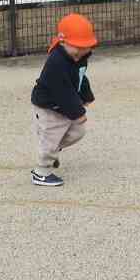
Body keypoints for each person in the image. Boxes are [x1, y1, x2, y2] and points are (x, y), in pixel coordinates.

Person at [30, 12, 97, 187]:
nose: (81, 52)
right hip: (49, 106)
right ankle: (41, 172)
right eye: (77, 47)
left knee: (78, 132)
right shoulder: (56, 62)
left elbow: (80, 77)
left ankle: (52, 150)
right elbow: (63, 91)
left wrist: (86, 95)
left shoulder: (80, 58)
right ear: (62, 42)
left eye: (85, 47)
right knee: (51, 137)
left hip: (65, 105)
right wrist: (78, 112)